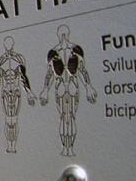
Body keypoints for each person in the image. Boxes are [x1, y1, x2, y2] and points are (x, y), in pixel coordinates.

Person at [39, 25, 97, 157]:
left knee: (70, 117)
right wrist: (45, 90)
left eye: (65, 34)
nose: (63, 37)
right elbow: (50, 74)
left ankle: (69, 148)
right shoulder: (54, 52)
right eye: (62, 34)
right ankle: (65, 148)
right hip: (60, 87)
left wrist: (88, 87)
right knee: (63, 117)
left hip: (72, 86)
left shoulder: (75, 50)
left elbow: (82, 70)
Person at [0, 36, 36, 153]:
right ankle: (9, 146)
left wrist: (29, 92)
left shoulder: (19, 58)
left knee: (14, 120)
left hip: (16, 91)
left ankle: (14, 145)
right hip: (5, 91)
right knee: (7, 120)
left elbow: (23, 77)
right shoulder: (0, 61)